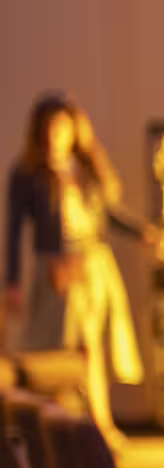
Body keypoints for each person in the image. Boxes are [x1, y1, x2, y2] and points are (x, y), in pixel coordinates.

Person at [5, 93, 150, 447]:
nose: (56, 134)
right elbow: (12, 229)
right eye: (50, 127)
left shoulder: (85, 170)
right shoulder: (27, 174)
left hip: (91, 265)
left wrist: (143, 232)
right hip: (54, 268)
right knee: (54, 351)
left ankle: (100, 425)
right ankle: (57, 428)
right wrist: (11, 281)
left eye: (62, 127)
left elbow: (108, 213)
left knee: (90, 347)